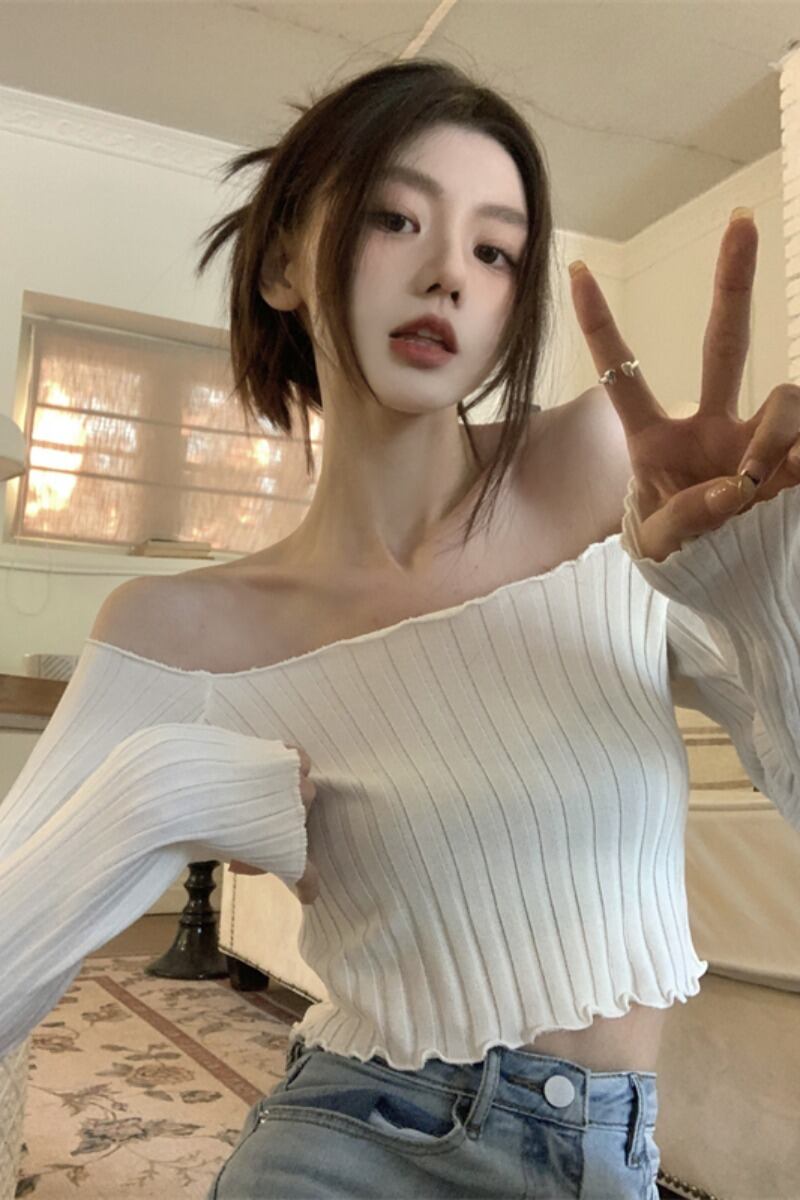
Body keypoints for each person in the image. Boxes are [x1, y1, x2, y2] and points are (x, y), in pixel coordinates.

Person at [1, 57, 799, 1200]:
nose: (447, 274)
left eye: (494, 251)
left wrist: (759, 596)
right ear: (283, 264)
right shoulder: (181, 626)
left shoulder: (602, 473)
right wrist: (155, 797)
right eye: (393, 218)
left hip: (606, 1154)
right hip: (346, 1144)